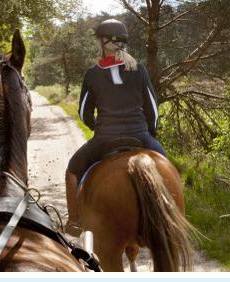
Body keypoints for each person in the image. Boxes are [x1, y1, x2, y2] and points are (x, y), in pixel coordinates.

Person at [65, 19, 166, 232]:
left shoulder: (92, 73)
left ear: (104, 42)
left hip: (104, 139)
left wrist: (97, 127)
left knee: (72, 171)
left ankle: (73, 221)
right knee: (168, 167)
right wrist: (151, 132)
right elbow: (153, 110)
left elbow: (84, 112)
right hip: (140, 136)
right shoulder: (139, 69)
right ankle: (173, 215)